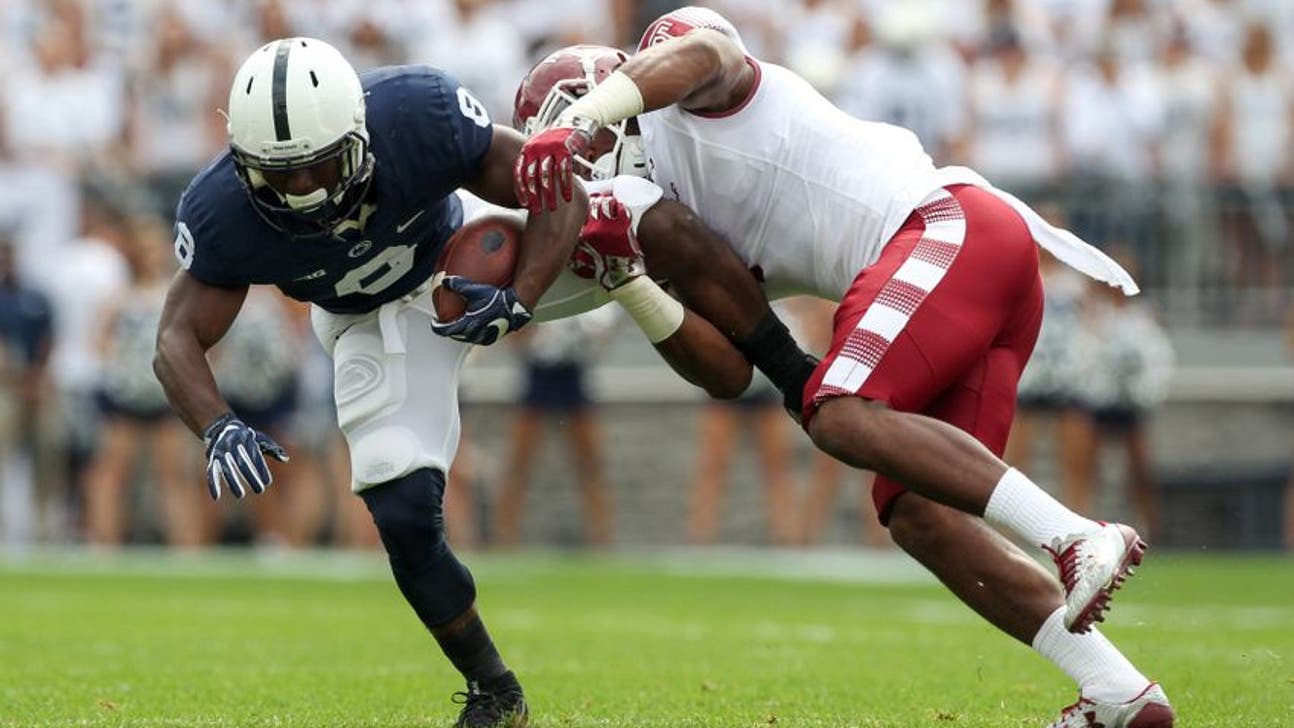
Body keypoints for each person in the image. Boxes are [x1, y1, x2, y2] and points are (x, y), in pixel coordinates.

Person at [511, 10, 1173, 726]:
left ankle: (1075, 535)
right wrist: (628, 283)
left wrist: (577, 120)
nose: (575, 177)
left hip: (949, 225)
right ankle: (1118, 691)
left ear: (604, 99)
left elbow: (705, 50)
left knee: (843, 411)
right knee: (919, 515)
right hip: (975, 277)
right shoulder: (660, 217)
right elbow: (728, 375)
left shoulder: (690, 97)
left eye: (578, 152)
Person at [155, 37, 754, 728]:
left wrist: (522, 295)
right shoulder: (221, 211)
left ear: (359, 132)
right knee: (403, 513)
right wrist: (216, 422)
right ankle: (495, 690)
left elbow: (554, 189)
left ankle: (776, 351)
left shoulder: (417, 113)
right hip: (369, 323)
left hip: (465, 256)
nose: (305, 192)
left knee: (633, 217)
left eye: (320, 167)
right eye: (280, 175)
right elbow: (176, 336)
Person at [84, 217, 204, 548]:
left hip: (168, 397)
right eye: (144, 248)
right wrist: (125, 367)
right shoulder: (121, 296)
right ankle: (105, 546)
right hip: (128, 399)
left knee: (175, 475)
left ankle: (188, 549)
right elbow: (99, 341)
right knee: (110, 473)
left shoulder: (179, 292)